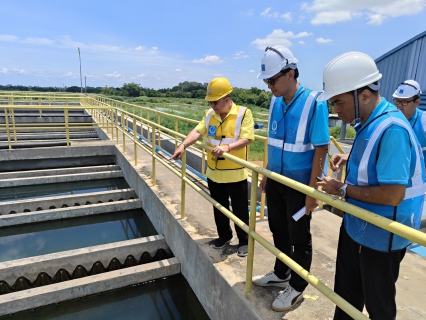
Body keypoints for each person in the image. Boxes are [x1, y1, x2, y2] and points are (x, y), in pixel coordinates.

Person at [316, 52, 425, 320]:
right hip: (357, 226)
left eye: (338, 102)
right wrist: (349, 157)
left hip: (381, 237)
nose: (335, 109)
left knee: (379, 307)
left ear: (364, 95)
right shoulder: (368, 122)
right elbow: (373, 162)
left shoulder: (392, 129)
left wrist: (341, 189)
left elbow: (393, 193)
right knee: (346, 297)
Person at [251, 46, 330, 312]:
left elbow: (321, 147)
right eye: (267, 81)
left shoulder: (315, 102)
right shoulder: (275, 101)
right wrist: (265, 173)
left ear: (291, 73)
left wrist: (313, 191)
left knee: (299, 236)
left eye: (273, 80)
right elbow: (271, 141)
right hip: (276, 180)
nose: (269, 85)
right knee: (278, 229)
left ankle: (296, 287)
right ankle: (281, 272)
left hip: (299, 185)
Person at [170, 77, 254, 257]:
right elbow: (197, 131)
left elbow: (247, 138)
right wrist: (183, 145)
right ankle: (224, 236)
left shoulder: (243, 113)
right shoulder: (210, 115)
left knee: (239, 210)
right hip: (214, 173)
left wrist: (227, 148)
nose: (213, 106)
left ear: (227, 98)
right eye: (211, 102)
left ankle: (244, 241)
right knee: (218, 207)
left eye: (215, 102)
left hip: (235, 174)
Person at [392, 80, 426, 160]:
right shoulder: (390, 118)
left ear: (417, 102)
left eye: (404, 102)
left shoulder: (423, 120)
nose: (399, 105)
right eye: (397, 101)